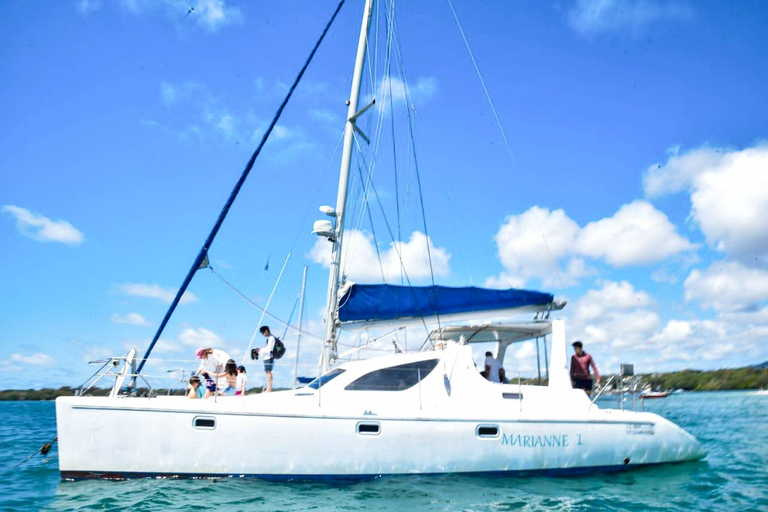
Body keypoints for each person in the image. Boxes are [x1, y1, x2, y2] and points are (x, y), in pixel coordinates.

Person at [253, 326, 275, 393]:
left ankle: (269, 388)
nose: (263, 334)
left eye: (263, 332)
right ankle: (269, 388)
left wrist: (259, 350)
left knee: (268, 372)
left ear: (266, 331)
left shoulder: (271, 338)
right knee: (267, 372)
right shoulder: (269, 338)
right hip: (267, 357)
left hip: (269, 357)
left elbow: (269, 349)